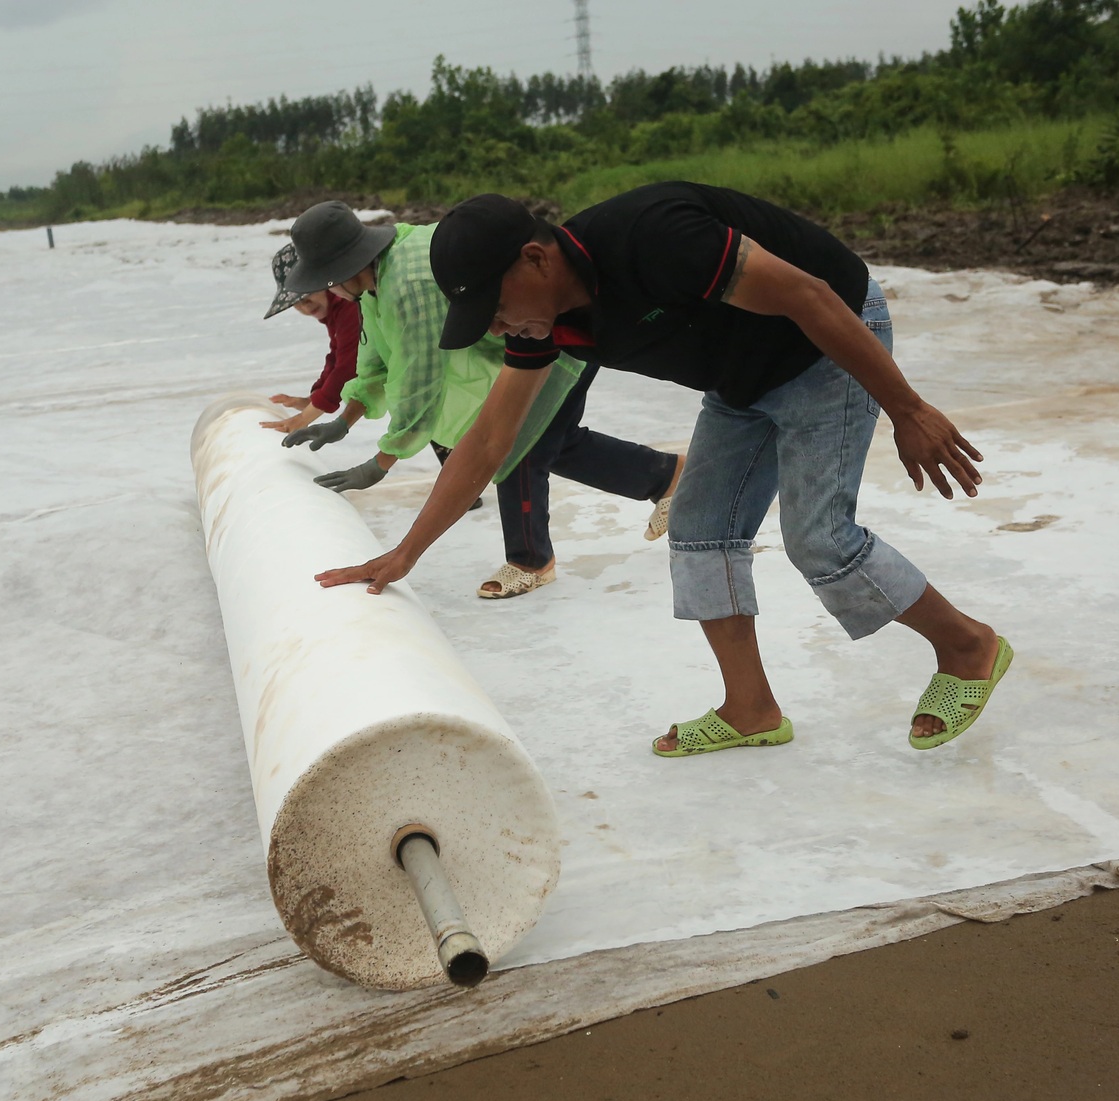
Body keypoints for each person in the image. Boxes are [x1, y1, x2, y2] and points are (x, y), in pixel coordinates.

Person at [315, 183, 1010, 753]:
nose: (497, 329)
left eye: (494, 308)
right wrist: (407, 551)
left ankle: (968, 646)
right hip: (740, 385)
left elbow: (809, 297)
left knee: (819, 537)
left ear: (535, 260)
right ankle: (751, 710)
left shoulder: (653, 237)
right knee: (702, 530)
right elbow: (490, 441)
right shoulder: (545, 322)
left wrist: (907, 408)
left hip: (828, 347)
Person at [281, 200, 684, 600]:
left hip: (541, 328)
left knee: (520, 446)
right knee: (553, 441)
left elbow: (420, 377)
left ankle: (530, 561)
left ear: (348, 266)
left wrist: (383, 459)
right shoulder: (371, 285)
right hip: (519, 342)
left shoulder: (407, 285)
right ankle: (668, 477)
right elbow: (375, 359)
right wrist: (345, 418)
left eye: (329, 280)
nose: (330, 289)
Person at [261, 244, 362, 439]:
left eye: (307, 295)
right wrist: (311, 400)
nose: (305, 306)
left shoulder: (349, 306)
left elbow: (348, 368)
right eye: (295, 302)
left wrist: (302, 419)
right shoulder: (336, 312)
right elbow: (336, 357)